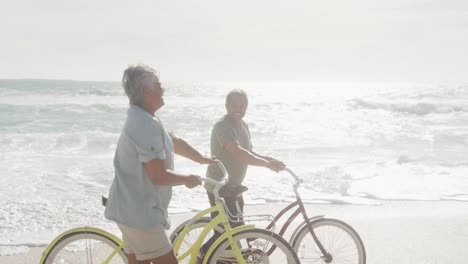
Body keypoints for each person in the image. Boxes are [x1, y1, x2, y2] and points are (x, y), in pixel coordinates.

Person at [104, 64, 216, 264]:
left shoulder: (145, 118)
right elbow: (158, 176)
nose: (163, 90)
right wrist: (188, 179)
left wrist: (201, 159)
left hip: (129, 209)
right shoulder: (145, 124)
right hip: (139, 215)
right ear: (148, 92)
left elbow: (174, 142)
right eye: (159, 85)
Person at [200, 89, 285, 257]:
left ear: (246, 106)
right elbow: (238, 152)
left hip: (235, 187)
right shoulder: (222, 126)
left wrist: (271, 160)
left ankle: (222, 259)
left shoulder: (243, 125)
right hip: (219, 187)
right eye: (234, 105)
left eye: (241, 105)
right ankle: (201, 256)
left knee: (236, 230)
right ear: (226, 106)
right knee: (224, 234)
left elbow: (250, 152)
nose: (238, 109)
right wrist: (267, 165)